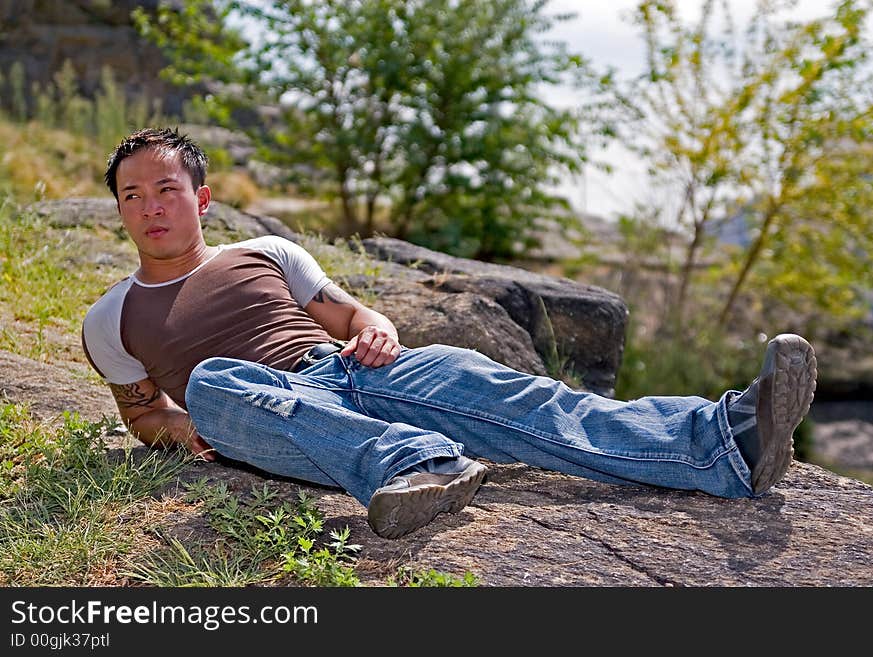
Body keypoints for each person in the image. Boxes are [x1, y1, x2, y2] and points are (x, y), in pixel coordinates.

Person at [82, 127, 818, 540]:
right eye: (132, 195)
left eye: (166, 188)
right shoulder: (110, 316)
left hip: (353, 372)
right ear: (119, 208)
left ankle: (727, 442)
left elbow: (354, 316)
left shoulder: (267, 254)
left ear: (202, 199)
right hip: (276, 415)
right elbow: (143, 411)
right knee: (213, 381)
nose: (151, 206)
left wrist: (376, 330)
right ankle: (415, 468)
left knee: (524, 397)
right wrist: (190, 429)